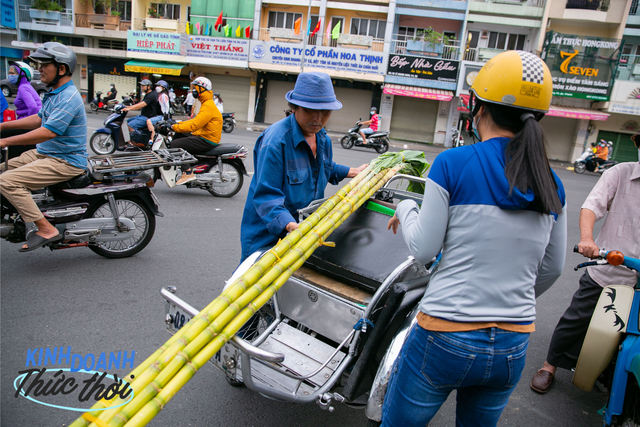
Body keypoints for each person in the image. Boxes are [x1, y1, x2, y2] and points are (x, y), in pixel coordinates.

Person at [382, 50, 567, 426]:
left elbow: (424, 248)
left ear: (477, 107)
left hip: (445, 336)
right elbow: (553, 268)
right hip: (512, 346)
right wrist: (506, 303)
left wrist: (404, 208)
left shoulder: (452, 164)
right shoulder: (554, 183)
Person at [531, 132, 640, 395]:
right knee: (577, 318)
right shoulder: (620, 173)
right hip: (610, 269)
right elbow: (591, 206)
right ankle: (549, 366)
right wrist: (588, 240)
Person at [239, 72, 367, 263]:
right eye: (310, 110)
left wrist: (354, 171)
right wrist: (290, 225)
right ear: (294, 107)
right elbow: (267, 196)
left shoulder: (322, 137)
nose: (318, 118)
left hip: (303, 233)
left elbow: (324, 168)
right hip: (268, 237)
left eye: (325, 112)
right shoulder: (276, 142)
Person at [0, 42, 87, 252]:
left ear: (62, 69)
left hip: (65, 160)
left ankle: (46, 228)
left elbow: (48, 131)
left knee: (7, 181)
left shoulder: (68, 97)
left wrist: (5, 141)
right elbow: (38, 119)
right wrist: (2, 127)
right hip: (45, 153)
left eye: (44, 65)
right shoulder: (55, 92)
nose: (39, 70)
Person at [165, 77, 222, 185]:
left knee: (174, 144)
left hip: (207, 139)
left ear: (202, 89)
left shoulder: (208, 106)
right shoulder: (206, 103)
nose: (194, 91)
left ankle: (187, 172)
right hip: (205, 135)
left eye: (196, 88)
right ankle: (188, 163)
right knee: (180, 133)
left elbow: (194, 125)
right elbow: (195, 121)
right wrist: (177, 124)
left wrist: (174, 127)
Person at [144, 80, 170, 146]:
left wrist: (165, 117)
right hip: (162, 115)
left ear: (164, 88)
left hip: (163, 116)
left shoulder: (163, 96)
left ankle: (152, 139)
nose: (157, 87)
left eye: (159, 86)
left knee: (148, 121)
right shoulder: (160, 95)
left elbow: (165, 107)